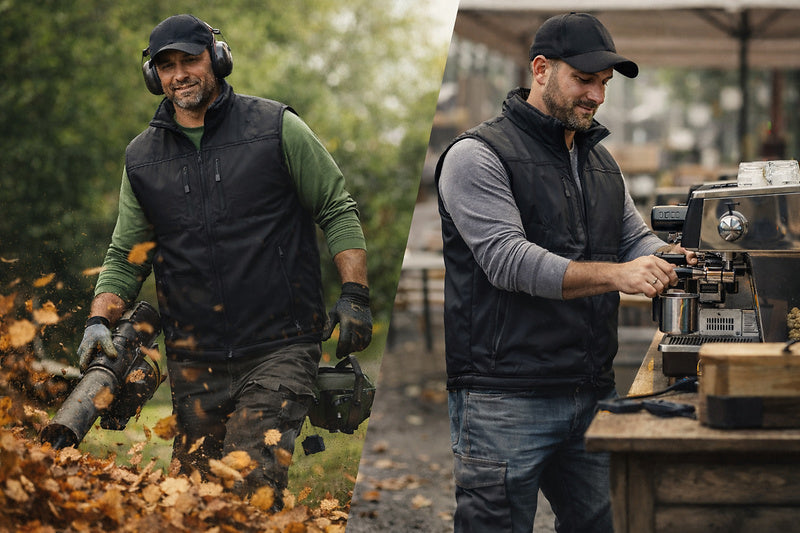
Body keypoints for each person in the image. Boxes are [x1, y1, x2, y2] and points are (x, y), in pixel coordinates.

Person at [76, 14, 372, 509]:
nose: (178, 75)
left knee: (246, 487)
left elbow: (336, 207)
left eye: (189, 60)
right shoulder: (142, 159)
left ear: (216, 58)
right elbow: (125, 257)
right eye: (165, 66)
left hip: (281, 344)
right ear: (154, 78)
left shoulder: (277, 127)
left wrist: (355, 295)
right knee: (196, 501)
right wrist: (97, 321)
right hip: (195, 360)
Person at [435, 12, 696, 533]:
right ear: (540, 69)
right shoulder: (477, 155)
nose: (597, 96)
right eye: (583, 79)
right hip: (503, 397)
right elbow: (508, 260)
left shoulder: (601, 162)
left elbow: (632, 239)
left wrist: (673, 255)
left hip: (591, 390)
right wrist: (619, 276)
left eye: (603, 84)